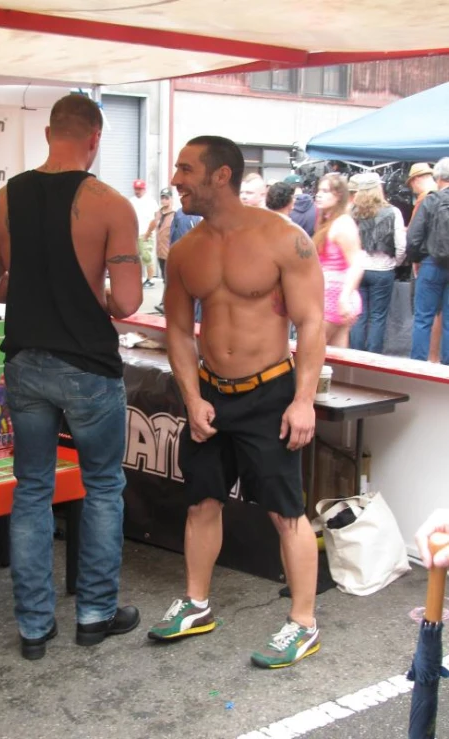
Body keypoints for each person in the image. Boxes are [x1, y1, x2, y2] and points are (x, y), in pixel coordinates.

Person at [0, 93, 142, 660]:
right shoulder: (111, 204)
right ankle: (94, 614)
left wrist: (26, 289)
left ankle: (34, 627)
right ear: (94, 139)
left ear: (49, 133)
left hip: (24, 363)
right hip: (88, 367)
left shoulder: (0, 200)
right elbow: (128, 303)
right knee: (103, 488)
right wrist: (91, 288)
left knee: (32, 491)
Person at [148, 135, 325, 670]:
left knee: (284, 511)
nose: (176, 178)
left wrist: (304, 401)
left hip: (269, 395)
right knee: (202, 500)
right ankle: (197, 603)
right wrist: (192, 396)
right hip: (212, 396)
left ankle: (303, 623)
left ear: (220, 175)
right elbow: (177, 330)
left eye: (186, 168)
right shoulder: (185, 249)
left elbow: (312, 321)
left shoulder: (283, 239)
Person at [349, 173, 406, 353]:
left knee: (359, 314)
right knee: (378, 316)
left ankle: (356, 355)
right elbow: (401, 244)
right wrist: (396, 262)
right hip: (383, 269)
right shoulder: (392, 212)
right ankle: (373, 356)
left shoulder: (353, 212)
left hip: (358, 269)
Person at [406, 157, 449, 365]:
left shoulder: (431, 200)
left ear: (438, 177)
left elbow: (414, 237)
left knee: (423, 318)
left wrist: (416, 259)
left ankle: (418, 365)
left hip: (431, 263)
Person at [314, 173, 364, 348]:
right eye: (319, 190)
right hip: (332, 296)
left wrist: (344, 297)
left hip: (334, 297)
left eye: (326, 191)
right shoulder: (331, 222)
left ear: (339, 196)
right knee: (337, 358)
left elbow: (357, 262)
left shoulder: (342, 224)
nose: (319, 194)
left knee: (312, 353)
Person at [129, 179, 159, 287]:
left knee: (147, 257)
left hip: (146, 234)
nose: (137, 191)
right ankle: (136, 278)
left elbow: (156, 218)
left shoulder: (150, 201)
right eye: (136, 189)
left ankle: (150, 279)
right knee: (135, 258)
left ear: (144, 189)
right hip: (134, 234)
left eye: (139, 189)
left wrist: (148, 233)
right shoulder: (131, 201)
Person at [145, 187, 176, 285]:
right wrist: (147, 234)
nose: (164, 200)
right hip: (160, 252)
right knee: (164, 277)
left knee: (169, 279)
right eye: (162, 198)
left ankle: (168, 299)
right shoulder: (158, 213)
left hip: (170, 252)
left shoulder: (175, 215)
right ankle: (166, 299)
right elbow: (153, 224)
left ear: (171, 199)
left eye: (166, 198)